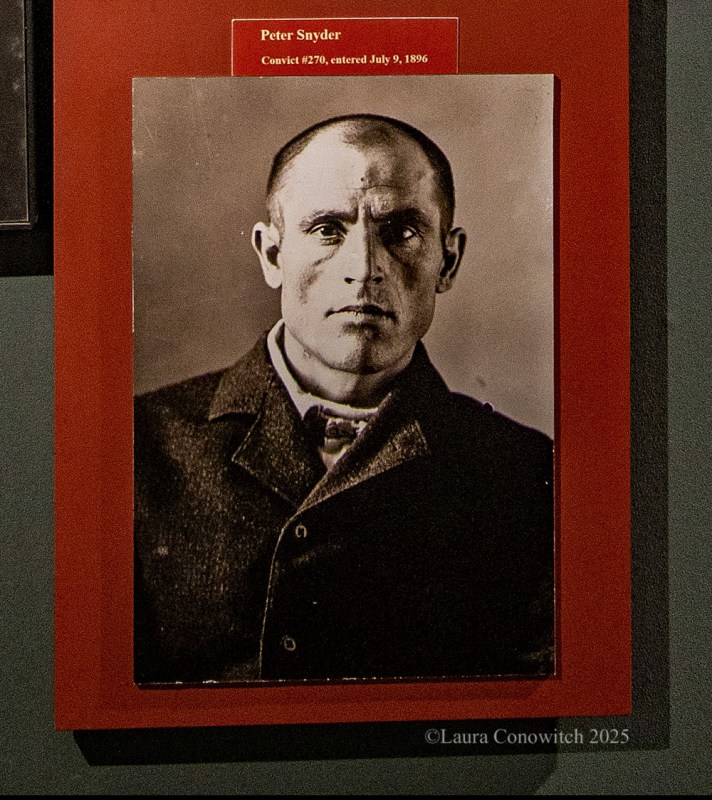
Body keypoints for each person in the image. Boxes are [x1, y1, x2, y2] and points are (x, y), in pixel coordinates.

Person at [134, 114, 554, 685]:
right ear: (272, 256)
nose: (364, 269)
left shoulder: (524, 473)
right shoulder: (138, 445)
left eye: (401, 232)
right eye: (328, 229)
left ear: (447, 261)